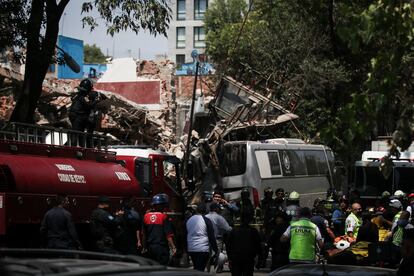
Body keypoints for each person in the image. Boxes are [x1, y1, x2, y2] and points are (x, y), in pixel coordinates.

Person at [143, 193, 176, 266]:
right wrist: (173, 247)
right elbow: (168, 235)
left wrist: (144, 247)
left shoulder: (146, 216)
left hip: (150, 248)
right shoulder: (164, 216)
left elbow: (144, 234)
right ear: (162, 205)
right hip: (161, 248)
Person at [226, 208, 261, 276]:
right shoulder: (253, 231)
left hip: (236, 259)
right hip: (249, 259)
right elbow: (258, 246)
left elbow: (228, 246)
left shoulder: (234, 231)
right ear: (250, 220)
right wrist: (260, 258)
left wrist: (230, 258)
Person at [186, 203, 218, 271]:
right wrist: (216, 250)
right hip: (202, 249)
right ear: (205, 210)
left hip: (191, 249)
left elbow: (185, 235)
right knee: (200, 270)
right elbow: (211, 237)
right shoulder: (206, 220)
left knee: (196, 268)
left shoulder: (188, 220)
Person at [205, 202, 232, 273]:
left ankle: (208, 270)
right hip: (217, 240)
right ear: (216, 209)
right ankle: (216, 270)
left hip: (205, 240)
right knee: (218, 257)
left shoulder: (205, 216)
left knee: (208, 257)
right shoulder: (219, 217)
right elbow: (228, 229)